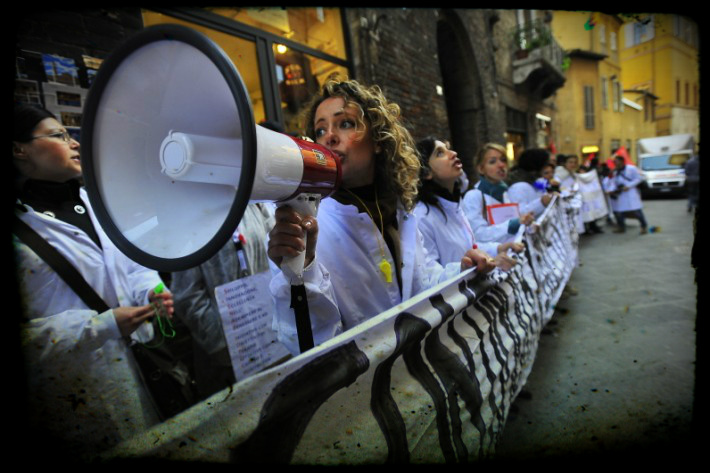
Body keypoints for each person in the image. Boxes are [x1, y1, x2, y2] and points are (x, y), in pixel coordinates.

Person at [267, 78, 496, 355]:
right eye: (320, 129)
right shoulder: (307, 224)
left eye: (345, 123)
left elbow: (421, 283)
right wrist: (301, 272)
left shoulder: (400, 210)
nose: (329, 137)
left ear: (377, 140)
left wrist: (459, 270)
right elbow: (307, 345)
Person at [12, 104, 173, 457]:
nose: (74, 144)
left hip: (142, 368)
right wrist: (101, 326)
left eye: (71, 135)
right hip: (81, 395)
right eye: (59, 135)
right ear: (18, 149)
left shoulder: (97, 204)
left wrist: (151, 288)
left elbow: (130, 265)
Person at [170, 201, 275, 399]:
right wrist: (224, 344)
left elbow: (276, 259)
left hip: (270, 336)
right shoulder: (188, 216)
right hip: (224, 356)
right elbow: (187, 296)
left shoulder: (254, 204)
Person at [413, 137, 522, 269]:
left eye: (449, 149)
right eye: (440, 153)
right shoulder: (420, 217)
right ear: (426, 172)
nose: (453, 153)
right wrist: (471, 268)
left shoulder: (453, 205)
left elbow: (470, 246)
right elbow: (428, 276)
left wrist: (498, 248)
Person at [462, 143, 535, 246]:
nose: (501, 165)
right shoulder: (473, 196)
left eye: (503, 160)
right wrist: (511, 225)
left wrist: (527, 225)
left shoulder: (507, 192)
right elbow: (477, 235)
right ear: (481, 169)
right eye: (492, 162)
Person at [555, 154, 603, 234]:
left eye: (575, 162)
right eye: (570, 162)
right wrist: (567, 192)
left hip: (574, 205)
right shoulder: (559, 175)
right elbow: (557, 188)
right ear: (565, 163)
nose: (573, 164)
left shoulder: (573, 175)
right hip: (564, 206)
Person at [506, 147, 557, 218]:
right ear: (537, 164)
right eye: (545, 163)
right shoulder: (518, 186)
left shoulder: (534, 180)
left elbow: (541, 191)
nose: (547, 166)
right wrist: (541, 202)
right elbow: (518, 214)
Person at [607, 154, 649, 234]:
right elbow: (613, 182)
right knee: (618, 211)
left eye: (617, 162)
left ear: (622, 161)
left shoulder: (631, 168)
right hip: (620, 194)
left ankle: (643, 226)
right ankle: (621, 227)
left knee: (636, 211)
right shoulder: (615, 171)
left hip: (630, 193)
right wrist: (611, 190)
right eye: (615, 162)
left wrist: (629, 186)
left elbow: (638, 179)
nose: (616, 163)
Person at [684, 147, 699, 213]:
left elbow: (686, 172)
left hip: (691, 180)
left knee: (691, 193)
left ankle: (690, 205)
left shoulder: (689, 162)